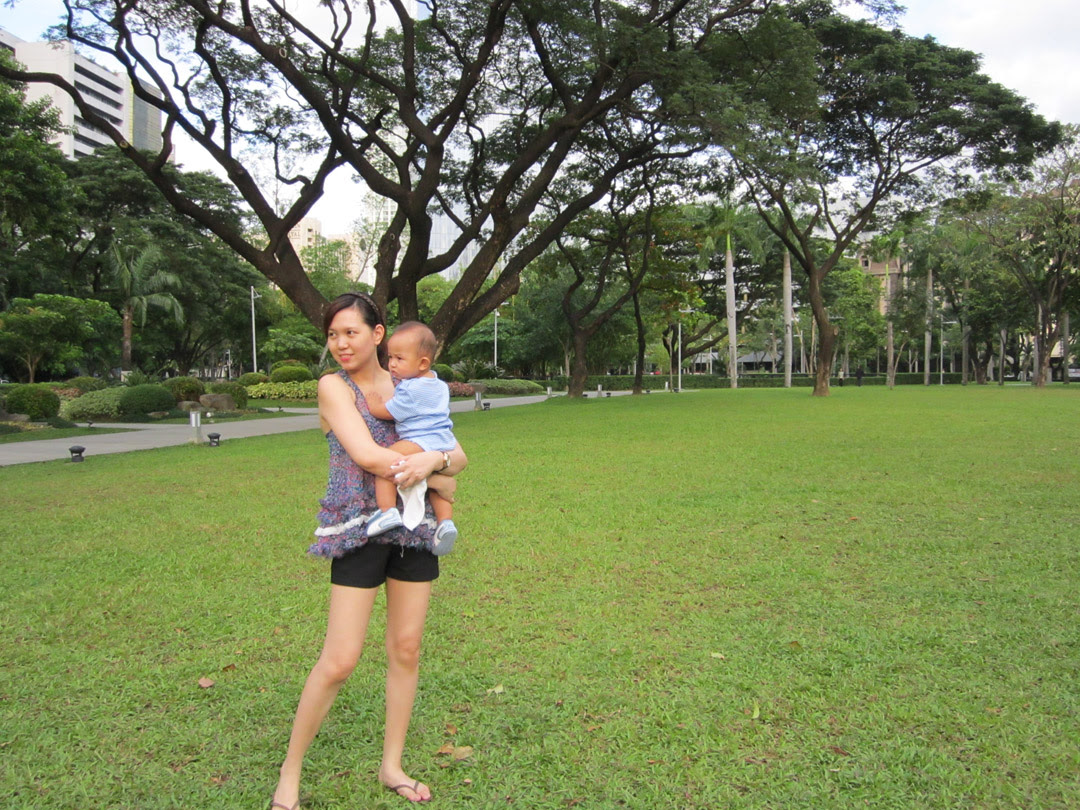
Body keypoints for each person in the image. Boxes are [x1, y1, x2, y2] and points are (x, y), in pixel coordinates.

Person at [271, 292, 467, 809]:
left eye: (351, 332)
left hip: (414, 528)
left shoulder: (409, 381)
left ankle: (391, 766)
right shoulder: (333, 387)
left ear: (377, 334)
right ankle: (290, 773)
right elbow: (368, 456)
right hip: (359, 527)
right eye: (333, 334)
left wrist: (437, 462)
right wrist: (435, 470)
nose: (340, 343)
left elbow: (459, 453)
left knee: (406, 649)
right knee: (340, 660)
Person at [365, 321, 458, 555]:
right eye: (390, 357)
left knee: (387, 464)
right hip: (443, 441)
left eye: (399, 358)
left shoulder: (410, 389)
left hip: (418, 440)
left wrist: (375, 405)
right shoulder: (438, 384)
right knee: (438, 487)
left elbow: (390, 412)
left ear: (422, 363)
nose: (392, 364)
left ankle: (387, 512)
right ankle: (446, 523)